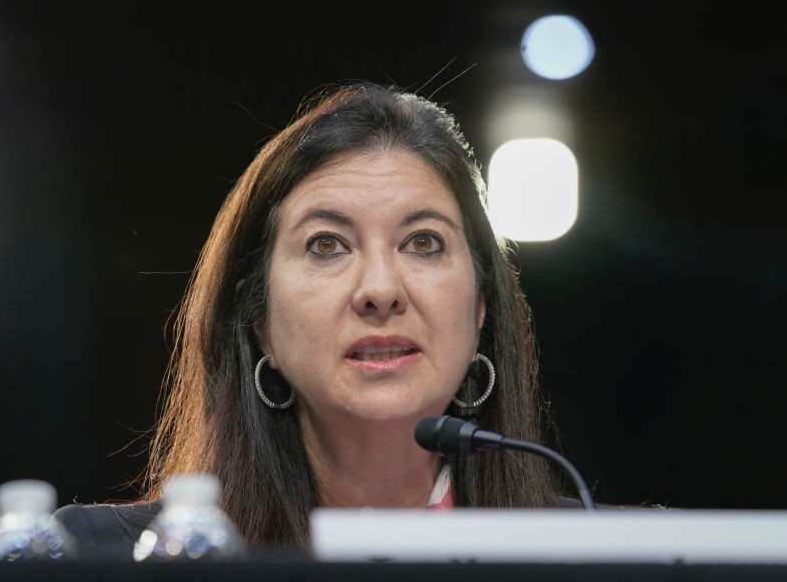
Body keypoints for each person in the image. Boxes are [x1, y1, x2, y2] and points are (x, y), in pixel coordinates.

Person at [54, 81, 561, 557]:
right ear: (259, 321)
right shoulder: (111, 557)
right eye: (327, 245)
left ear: (479, 309)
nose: (380, 290)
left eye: (423, 242)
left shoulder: (603, 556)